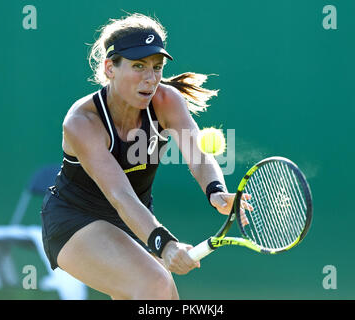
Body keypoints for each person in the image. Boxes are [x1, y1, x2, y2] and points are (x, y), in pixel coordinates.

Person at [40, 13, 238, 300]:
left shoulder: (167, 101)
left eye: (156, 67)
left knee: (165, 294)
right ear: (110, 68)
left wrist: (216, 191)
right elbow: (120, 194)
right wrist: (166, 244)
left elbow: (198, 157)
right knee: (155, 284)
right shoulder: (82, 122)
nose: (151, 78)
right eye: (138, 66)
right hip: (75, 220)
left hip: (134, 221)